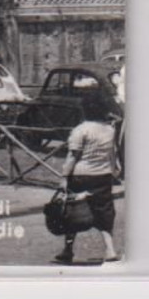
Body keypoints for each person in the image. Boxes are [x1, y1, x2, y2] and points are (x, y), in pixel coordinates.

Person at [54, 95, 121, 264]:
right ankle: (110, 249)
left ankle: (68, 250)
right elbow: (111, 153)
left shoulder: (80, 130)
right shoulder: (109, 129)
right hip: (103, 175)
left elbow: (73, 156)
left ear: (85, 110)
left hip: (81, 175)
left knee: (72, 212)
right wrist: (114, 170)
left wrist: (64, 177)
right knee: (104, 211)